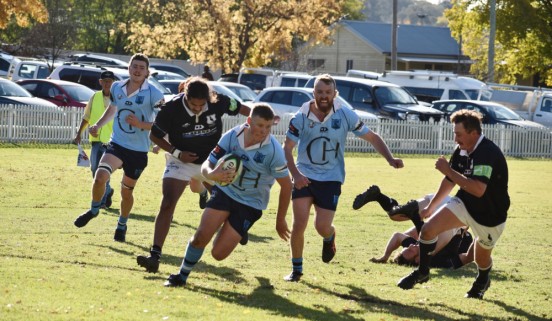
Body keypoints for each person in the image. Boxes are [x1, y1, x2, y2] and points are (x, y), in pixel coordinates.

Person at [282, 74, 404, 282]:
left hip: (331, 178)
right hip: (304, 176)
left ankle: (329, 237)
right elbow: (287, 148)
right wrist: (296, 174)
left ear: (334, 94)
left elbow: (371, 137)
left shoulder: (345, 115)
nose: (323, 96)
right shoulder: (300, 117)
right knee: (299, 224)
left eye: (328, 92)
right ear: (314, 93)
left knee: (322, 226)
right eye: (319, 92)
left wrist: (390, 158)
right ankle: (296, 270)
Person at [164, 103, 292, 287]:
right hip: (225, 192)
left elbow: (286, 186)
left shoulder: (273, 151)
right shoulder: (233, 136)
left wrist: (280, 220)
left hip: (251, 203)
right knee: (201, 236)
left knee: (218, 254)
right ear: (249, 121)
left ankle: (236, 230)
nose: (263, 131)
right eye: (259, 125)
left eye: (268, 126)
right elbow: (208, 163)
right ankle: (181, 276)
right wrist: (211, 174)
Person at [137, 77, 250, 273]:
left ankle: (235, 225)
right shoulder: (170, 108)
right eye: (193, 104)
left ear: (209, 98)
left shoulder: (218, 100)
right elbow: (154, 135)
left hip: (212, 161)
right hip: (181, 159)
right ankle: (154, 255)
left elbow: (243, 109)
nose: (197, 108)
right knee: (168, 202)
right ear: (185, 97)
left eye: (201, 104)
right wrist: (177, 153)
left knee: (228, 202)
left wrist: (257, 123)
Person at [397, 109, 510, 300]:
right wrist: (431, 207)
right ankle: (422, 271)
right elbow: (449, 182)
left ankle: (482, 280)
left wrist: (448, 170)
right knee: (427, 231)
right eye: (454, 134)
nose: (455, 139)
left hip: (491, 216)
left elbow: (478, 189)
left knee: (481, 258)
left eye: (459, 134)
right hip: (465, 203)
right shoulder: (461, 150)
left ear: (473, 133)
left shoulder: (487, 152)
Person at [73, 53, 165, 243]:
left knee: (126, 193)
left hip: (138, 151)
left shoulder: (154, 94)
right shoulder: (117, 87)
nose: (137, 70)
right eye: (134, 66)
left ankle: (122, 223)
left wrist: (141, 124)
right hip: (117, 144)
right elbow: (113, 109)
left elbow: (162, 124)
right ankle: (94, 209)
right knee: (100, 177)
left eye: (142, 67)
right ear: (129, 68)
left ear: (147, 72)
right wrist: (97, 125)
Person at [354, 188, 474, 269]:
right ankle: (415, 217)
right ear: (416, 260)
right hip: (455, 215)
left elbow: (397, 236)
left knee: (396, 215)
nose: (410, 246)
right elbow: (468, 257)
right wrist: (482, 236)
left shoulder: (413, 247)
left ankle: (379, 196)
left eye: (407, 248)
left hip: (438, 203)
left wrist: (385, 256)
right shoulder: (440, 261)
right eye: (410, 250)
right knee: (430, 244)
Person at [74, 70, 116, 209]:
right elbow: (86, 117)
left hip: (112, 140)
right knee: (94, 169)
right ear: (100, 82)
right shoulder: (95, 97)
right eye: (105, 81)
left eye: (110, 81)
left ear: (113, 82)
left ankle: (102, 201)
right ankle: (108, 191)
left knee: (104, 169)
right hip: (96, 140)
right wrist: (79, 133)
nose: (107, 84)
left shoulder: (118, 98)